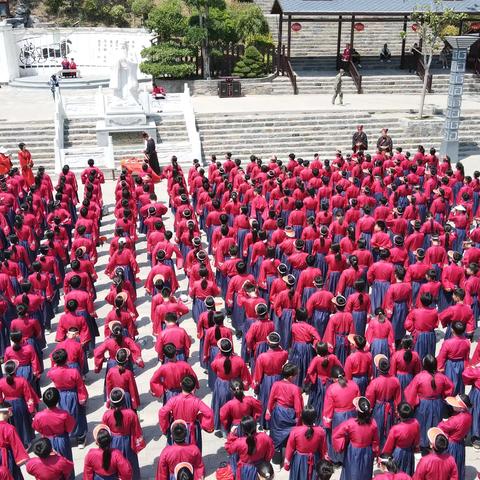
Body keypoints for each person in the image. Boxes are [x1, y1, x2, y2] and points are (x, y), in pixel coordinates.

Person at [333, 396, 379, 480]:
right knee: (366, 471)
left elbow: (336, 434)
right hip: (367, 452)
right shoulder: (373, 423)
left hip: (353, 452)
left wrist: (341, 445)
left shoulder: (350, 423)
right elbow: (375, 441)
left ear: (357, 410)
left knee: (352, 471)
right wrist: (375, 452)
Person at [283, 406, 327, 479]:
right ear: (315, 418)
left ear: (302, 418)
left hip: (299, 460)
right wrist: (323, 460)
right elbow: (323, 449)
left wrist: (287, 464)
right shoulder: (321, 431)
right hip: (315, 460)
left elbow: (289, 449)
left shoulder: (295, 431)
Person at [225, 416, 274, 480]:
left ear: (242, 429)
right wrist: (266, 461)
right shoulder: (264, 437)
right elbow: (271, 450)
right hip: (262, 467)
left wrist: (231, 434)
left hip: (247, 470)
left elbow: (229, 449)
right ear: (255, 426)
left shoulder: (239, 442)